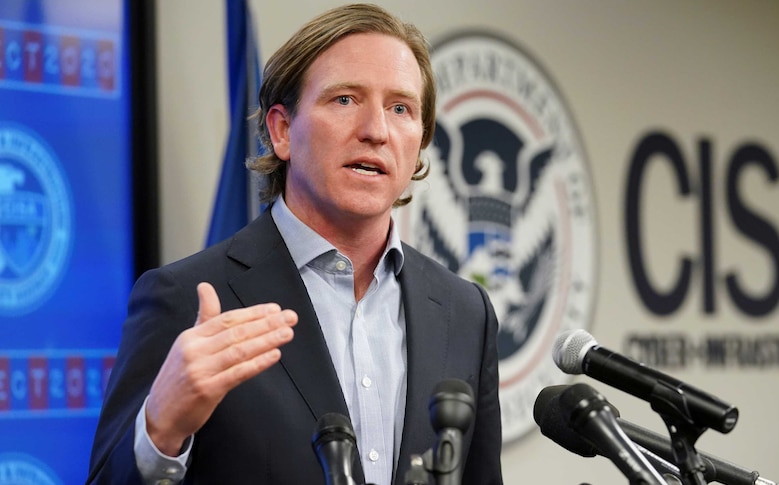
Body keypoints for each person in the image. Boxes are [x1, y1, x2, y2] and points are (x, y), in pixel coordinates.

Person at [86, 3, 503, 484]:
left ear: (420, 142)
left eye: (401, 108)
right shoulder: (188, 297)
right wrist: (160, 430)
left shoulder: (465, 311)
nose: (376, 130)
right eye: (345, 99)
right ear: (281, 130)